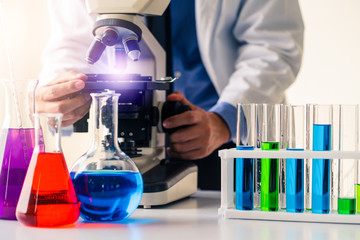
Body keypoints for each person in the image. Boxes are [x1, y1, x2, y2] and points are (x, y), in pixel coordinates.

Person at [36, 0, 304, 190]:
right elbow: (71, 42)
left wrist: (224, 122)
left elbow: (273, 48)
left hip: (232, 144)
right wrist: (62, 92)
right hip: (128, 146)